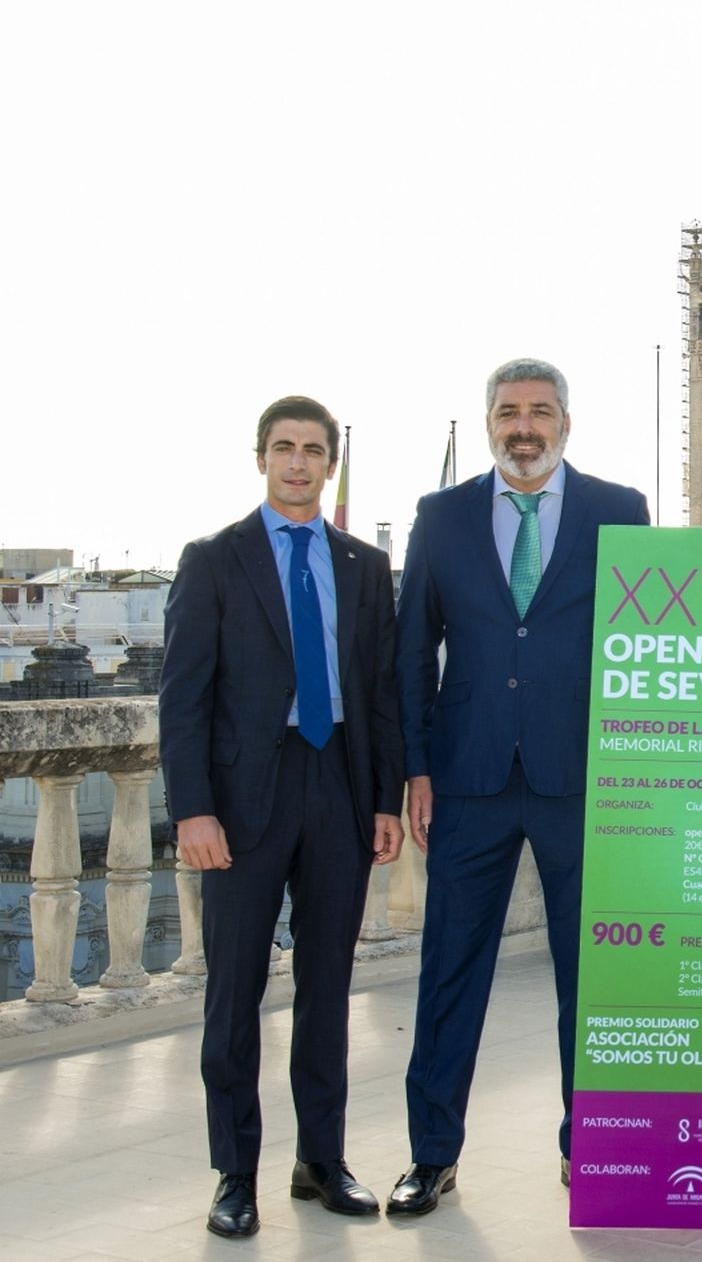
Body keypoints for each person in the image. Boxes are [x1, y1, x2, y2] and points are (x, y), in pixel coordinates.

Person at [389, 357, 650, 1214]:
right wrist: (416, 766)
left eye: (540, 411)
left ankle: (593, 1146)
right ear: (491, 421)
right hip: (468, 780)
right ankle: (432, 1154)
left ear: (566, 423)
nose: (524, 427)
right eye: (509, 412)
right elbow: (407, 653)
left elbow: (649, 647)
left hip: (585, 779)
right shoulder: (442, 516)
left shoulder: (622, 512)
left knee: (593, 975)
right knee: (449, 971)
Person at [159, 396, 405, 1238]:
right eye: (283, 448)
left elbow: (380, 694)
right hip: (241, 803)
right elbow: (182, 700)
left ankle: (320, 1159)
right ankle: (235, 1173)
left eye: (312, 450)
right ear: (260, 457)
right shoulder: (213, 560)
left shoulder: (365, 567)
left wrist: (382, 798)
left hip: (336, 785)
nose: (298, 463)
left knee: (328, 988)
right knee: (233, 995)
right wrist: (193, 809)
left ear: (330, 462)